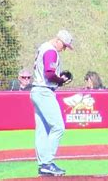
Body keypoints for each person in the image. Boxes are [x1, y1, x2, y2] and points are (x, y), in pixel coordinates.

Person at [30, 29, 74, 176]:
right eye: (65, 45)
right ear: (58, 40)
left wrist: (58, 78)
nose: (64, 49)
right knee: (58, 127)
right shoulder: (51, 50)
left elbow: (47, 72)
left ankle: (43, 164)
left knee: (42, 130)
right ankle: (47, 162)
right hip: (44, 91)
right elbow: (49, 73)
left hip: (37, 89)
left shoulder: (43, 47)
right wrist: (60, 80)